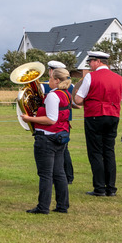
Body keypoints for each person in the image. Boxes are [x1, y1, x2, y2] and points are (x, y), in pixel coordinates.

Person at [20, 68, 72, 214]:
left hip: (47, 137)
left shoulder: (53, 96)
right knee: (59, 173)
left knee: (45, 174)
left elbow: (50, 119)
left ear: (57, 80)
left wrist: (29, 118)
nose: (48, 81)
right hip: (60, 136)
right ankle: (62, 205)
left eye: (50, 78)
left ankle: (43, 207)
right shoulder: (66, 94)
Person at [74, 50, 122, 197]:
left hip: (95, 115)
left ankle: (99, 187)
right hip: (113, 115)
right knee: (109, 151)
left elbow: (78, 100)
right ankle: (111, 187)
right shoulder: (119, 78)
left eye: (91, 61)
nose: (90, 64)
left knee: (95, 151)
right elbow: (120, 98)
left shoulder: (90, 76)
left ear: (98, 61)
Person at [47, 60, 76, 184]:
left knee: (58, 152)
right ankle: (68, 176)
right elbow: (76, 104)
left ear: (52, 71)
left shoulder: (48, 86)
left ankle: (63, 176)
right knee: (64, 150)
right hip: (66, 121)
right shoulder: (71, 86)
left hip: (55, 123)